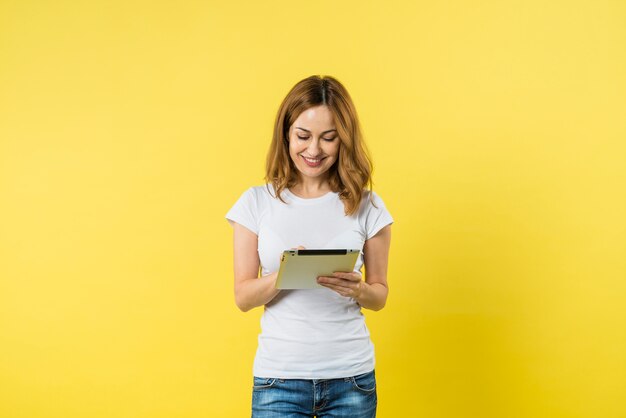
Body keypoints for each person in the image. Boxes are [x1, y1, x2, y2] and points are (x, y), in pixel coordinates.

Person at [225, 75, 393, 418]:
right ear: (286, 133)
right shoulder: (255, 203)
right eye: (303, 136)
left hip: (351, 379)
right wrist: (285, 274)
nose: (314, 150)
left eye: (328, 138)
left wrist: (358, 289)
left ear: (343, 140)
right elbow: (243, 298)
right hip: (279, 380)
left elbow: (380, 296)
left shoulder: (368, 205)